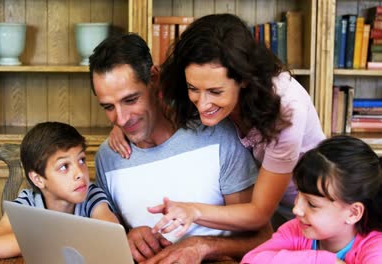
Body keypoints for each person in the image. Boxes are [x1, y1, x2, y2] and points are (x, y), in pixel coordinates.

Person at [109, 13, 325, 233]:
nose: (202, 105)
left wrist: (193, 211)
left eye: (215, 92)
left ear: (244, 79)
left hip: (319, 216)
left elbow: (259, 213)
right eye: (193, 88)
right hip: (275, 218)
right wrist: (122, 124)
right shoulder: (198, 76)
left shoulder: (285, 109)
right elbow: (142, 93)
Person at [89, 33, 272, 264]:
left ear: (154, 79)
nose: (122, 119)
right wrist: (128, 237)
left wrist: (202, 247)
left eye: (131, 99)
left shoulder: (216, 135)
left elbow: (263, 238)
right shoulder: (108, 157)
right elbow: (112, 241)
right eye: (108, 106)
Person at [0, 122, 118, 262]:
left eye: (81, 160)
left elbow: (113, 235)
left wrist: (43, 241)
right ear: (38, 179)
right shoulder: (27, 204)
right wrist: (58, 239)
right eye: (64, 167)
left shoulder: (91, 196)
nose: (80, 173)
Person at [241, 135, 382, 263]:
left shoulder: (375, 247)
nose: (296, 209)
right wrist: (324, 261)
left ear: (353, 213)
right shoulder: (295, 230)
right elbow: (251, 260)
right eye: (298, 193)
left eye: (312, 204)